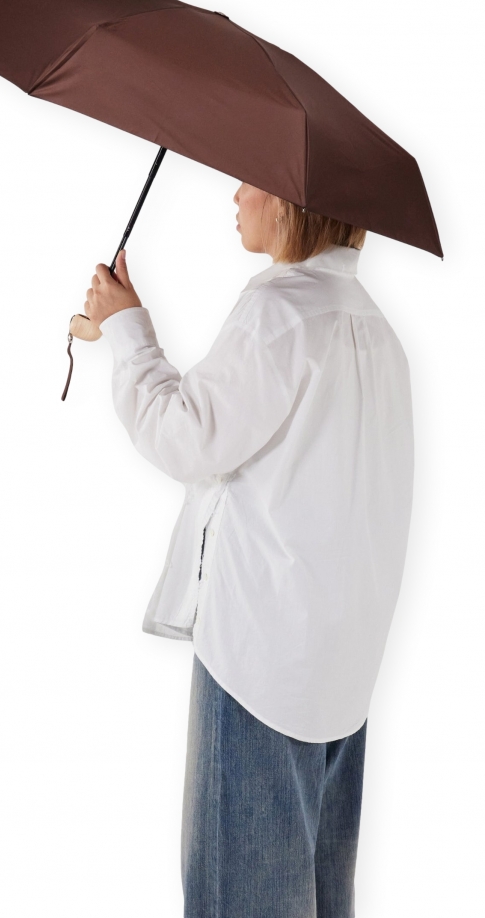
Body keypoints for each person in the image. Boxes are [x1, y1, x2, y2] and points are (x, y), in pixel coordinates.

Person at [81, 182, 414, 918]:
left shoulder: (282, 311)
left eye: (253, 180)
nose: (236, 193)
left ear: (293, 200)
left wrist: (128, 331)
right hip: (338, 679)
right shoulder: (375, 330)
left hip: (261, 668)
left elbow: (188, 439)